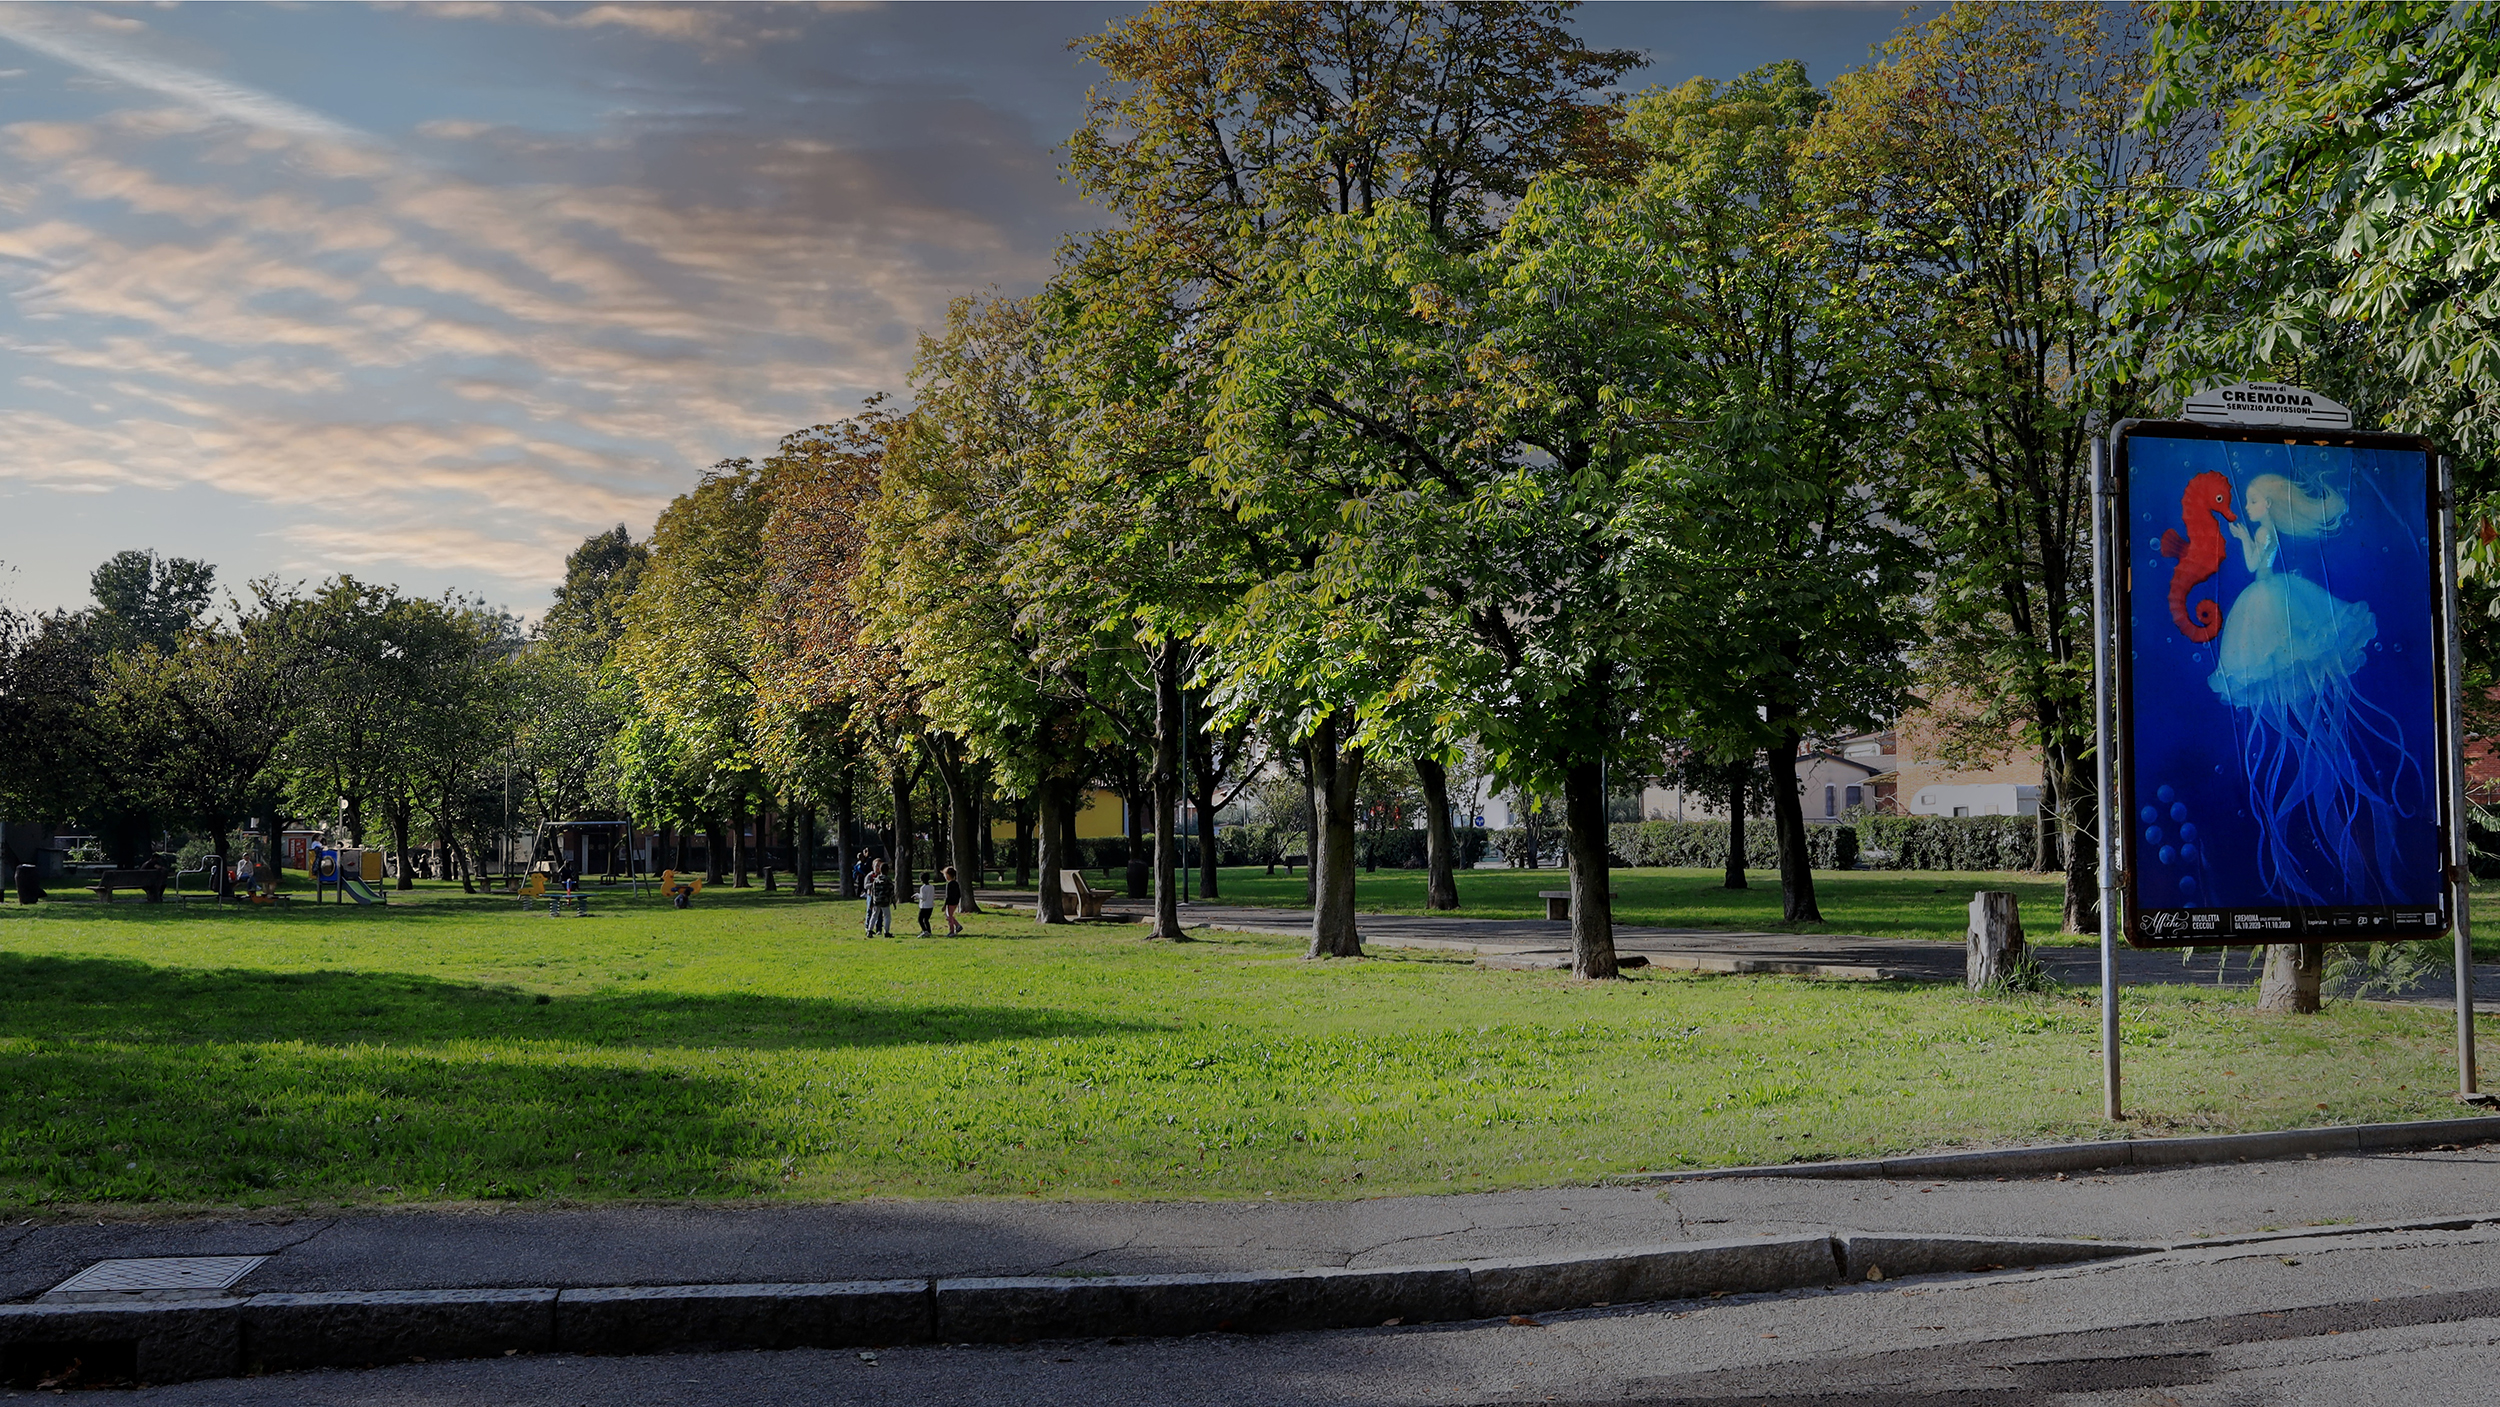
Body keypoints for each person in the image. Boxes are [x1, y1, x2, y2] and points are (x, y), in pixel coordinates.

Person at [865, 858, 893, 937]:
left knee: (874, 915)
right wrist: (892, 900)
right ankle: (886, 932)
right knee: (887, 916)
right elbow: (891, 891)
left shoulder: (875, 880)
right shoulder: (888, 880)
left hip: (876, 901)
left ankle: (869, 930)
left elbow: (872, 892)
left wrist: (871, 902)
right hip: (885, 901)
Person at [942, 865, 964, 936]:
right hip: (955, 902)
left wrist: (945, 905)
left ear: (948, 875)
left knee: (949, 916)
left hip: (950, 902)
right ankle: (957, 926)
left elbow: (948, 896)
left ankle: (952, 930)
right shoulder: (956, 883)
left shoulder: (949, 884)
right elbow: (959, 893)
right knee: (949, 915)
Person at [916, 871, 937, 935]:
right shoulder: (932, 887)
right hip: (930, 906)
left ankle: (925, 931)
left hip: (924, 906)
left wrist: (917, 895)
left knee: (920, 919)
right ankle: (929, 931)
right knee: (926, 920)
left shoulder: (923, 888)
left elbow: (923, 897)